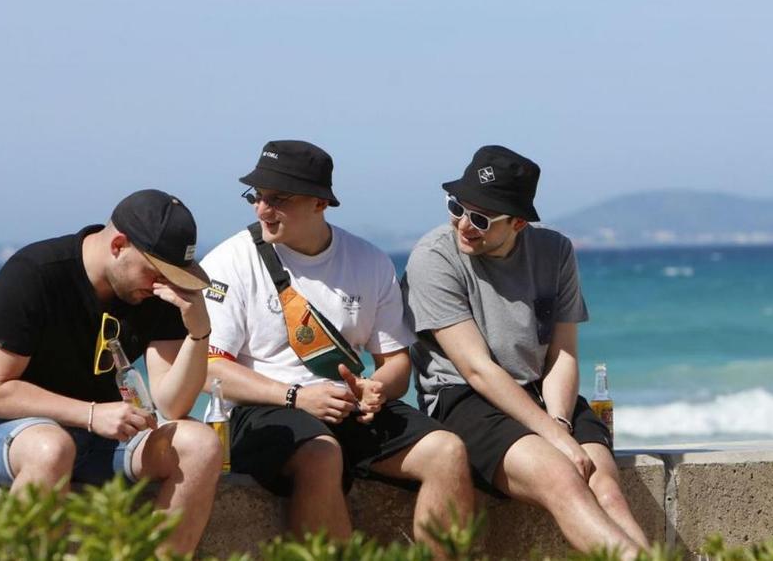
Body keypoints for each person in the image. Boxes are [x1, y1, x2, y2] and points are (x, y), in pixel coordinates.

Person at [201, 140, 473, 550]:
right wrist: (295, 396)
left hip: (345, 408)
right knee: (321, 454)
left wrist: (376, 388)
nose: (261, 209)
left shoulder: (369, 261)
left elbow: (395, 362)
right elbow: (210, 370)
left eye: (278, 198)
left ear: (318, 203)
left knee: (447, 451)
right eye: (257, 196)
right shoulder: (229, 262)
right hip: (259, 411)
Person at [402, 145, 649, 558]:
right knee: (561, 476)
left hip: (542, 394)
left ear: (517, 222)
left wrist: (557, 422)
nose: (463, 224)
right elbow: (477, 369)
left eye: (480, 219)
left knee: (604, 484)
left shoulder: (555, 251)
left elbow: (563, 353)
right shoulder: (433, 258)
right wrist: (554, 438)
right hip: (464, 396)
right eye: (456, 207)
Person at [0, 189, 223, 555]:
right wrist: (91, 414)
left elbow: (172, 406)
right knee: (52, 448)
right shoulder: (35, 274)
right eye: (157, 272)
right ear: (118, 245)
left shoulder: (154, 291)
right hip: (2, 428)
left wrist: (198, 332)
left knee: (201, 446)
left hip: (101, 437)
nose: (162, 284)